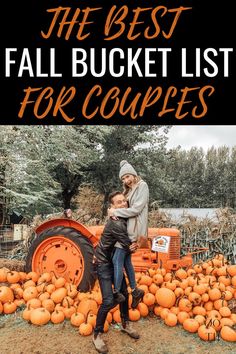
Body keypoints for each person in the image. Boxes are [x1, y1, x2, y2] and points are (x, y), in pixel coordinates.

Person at [93, 191, 140, 354]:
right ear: (112, 207)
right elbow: (128, 244)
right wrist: (134, 244)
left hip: (115, 261)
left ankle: (125, 324)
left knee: (124, 294)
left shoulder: (126, 218)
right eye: (118, 202)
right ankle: (97, 334)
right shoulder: (115, 223)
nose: (123, 204)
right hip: (104, 263)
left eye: (124, 201)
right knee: (108, 300)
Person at [108, 160, 149, 309]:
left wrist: (115, 212)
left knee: (117, 260)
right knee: (126, 262)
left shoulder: (142, 186)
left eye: (127, 176)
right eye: (123, 178)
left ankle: (117, 293)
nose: (126, 180)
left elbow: (137, 209)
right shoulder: (130, 190)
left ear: (133, 174)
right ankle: (135, 290)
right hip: (128, 229)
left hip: (134, 230)